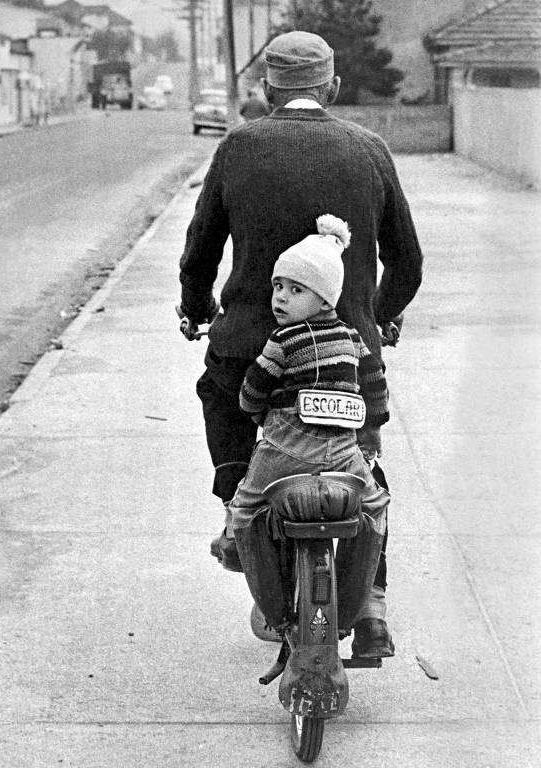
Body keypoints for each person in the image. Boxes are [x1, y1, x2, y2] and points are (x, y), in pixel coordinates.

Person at [179, 30, 423, 657]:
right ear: (332, 88)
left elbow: (200, 251)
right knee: (363, 461)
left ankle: (238, 508)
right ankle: (371, 605)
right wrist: (377, 317)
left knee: (222, 396)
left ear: (266, 89)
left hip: (248, 348)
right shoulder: (368, 149)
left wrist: (197, 308)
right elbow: (408, 262)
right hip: (343, 361)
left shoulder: (238, 147)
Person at [228, 214, 392, 649]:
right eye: (278, 286)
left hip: (283, 452)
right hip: (342, 457)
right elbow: (375, 386)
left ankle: (273, 609)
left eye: (295, 289)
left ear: (324, 300)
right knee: (374, 509)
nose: (280, 297)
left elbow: (252, 392)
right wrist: (372, 425)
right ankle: (356, 607)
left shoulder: (281, 342)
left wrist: (256, 414)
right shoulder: (354, 339)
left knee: (244, 512)